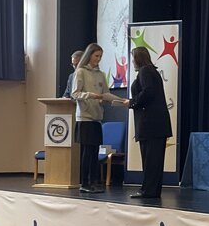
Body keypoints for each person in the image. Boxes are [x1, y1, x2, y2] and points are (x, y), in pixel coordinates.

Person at [123, 47, 172, 199]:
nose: (132, 62)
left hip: (150, 124)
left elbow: (148, 92)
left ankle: (148, 191)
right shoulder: (152, 71)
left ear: (138, 59)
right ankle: (152, 190)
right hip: (157, 124)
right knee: (155, 160)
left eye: (133, 59)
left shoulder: (145, 71)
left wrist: (132, 102)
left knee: (150, 159)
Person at [71, 43, 118, 193]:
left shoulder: (100, 74)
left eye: (100, 56)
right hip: (85, 118)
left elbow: (105, 93)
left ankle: (94, 181)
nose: (98, 59)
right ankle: (84, 183)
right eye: (96, 56)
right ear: (89, 55)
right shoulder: (80, 72)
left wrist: (117, 100)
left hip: (97, 117)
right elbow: (75, 94)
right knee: (87, 151)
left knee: (94, 151)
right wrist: (91, 95)